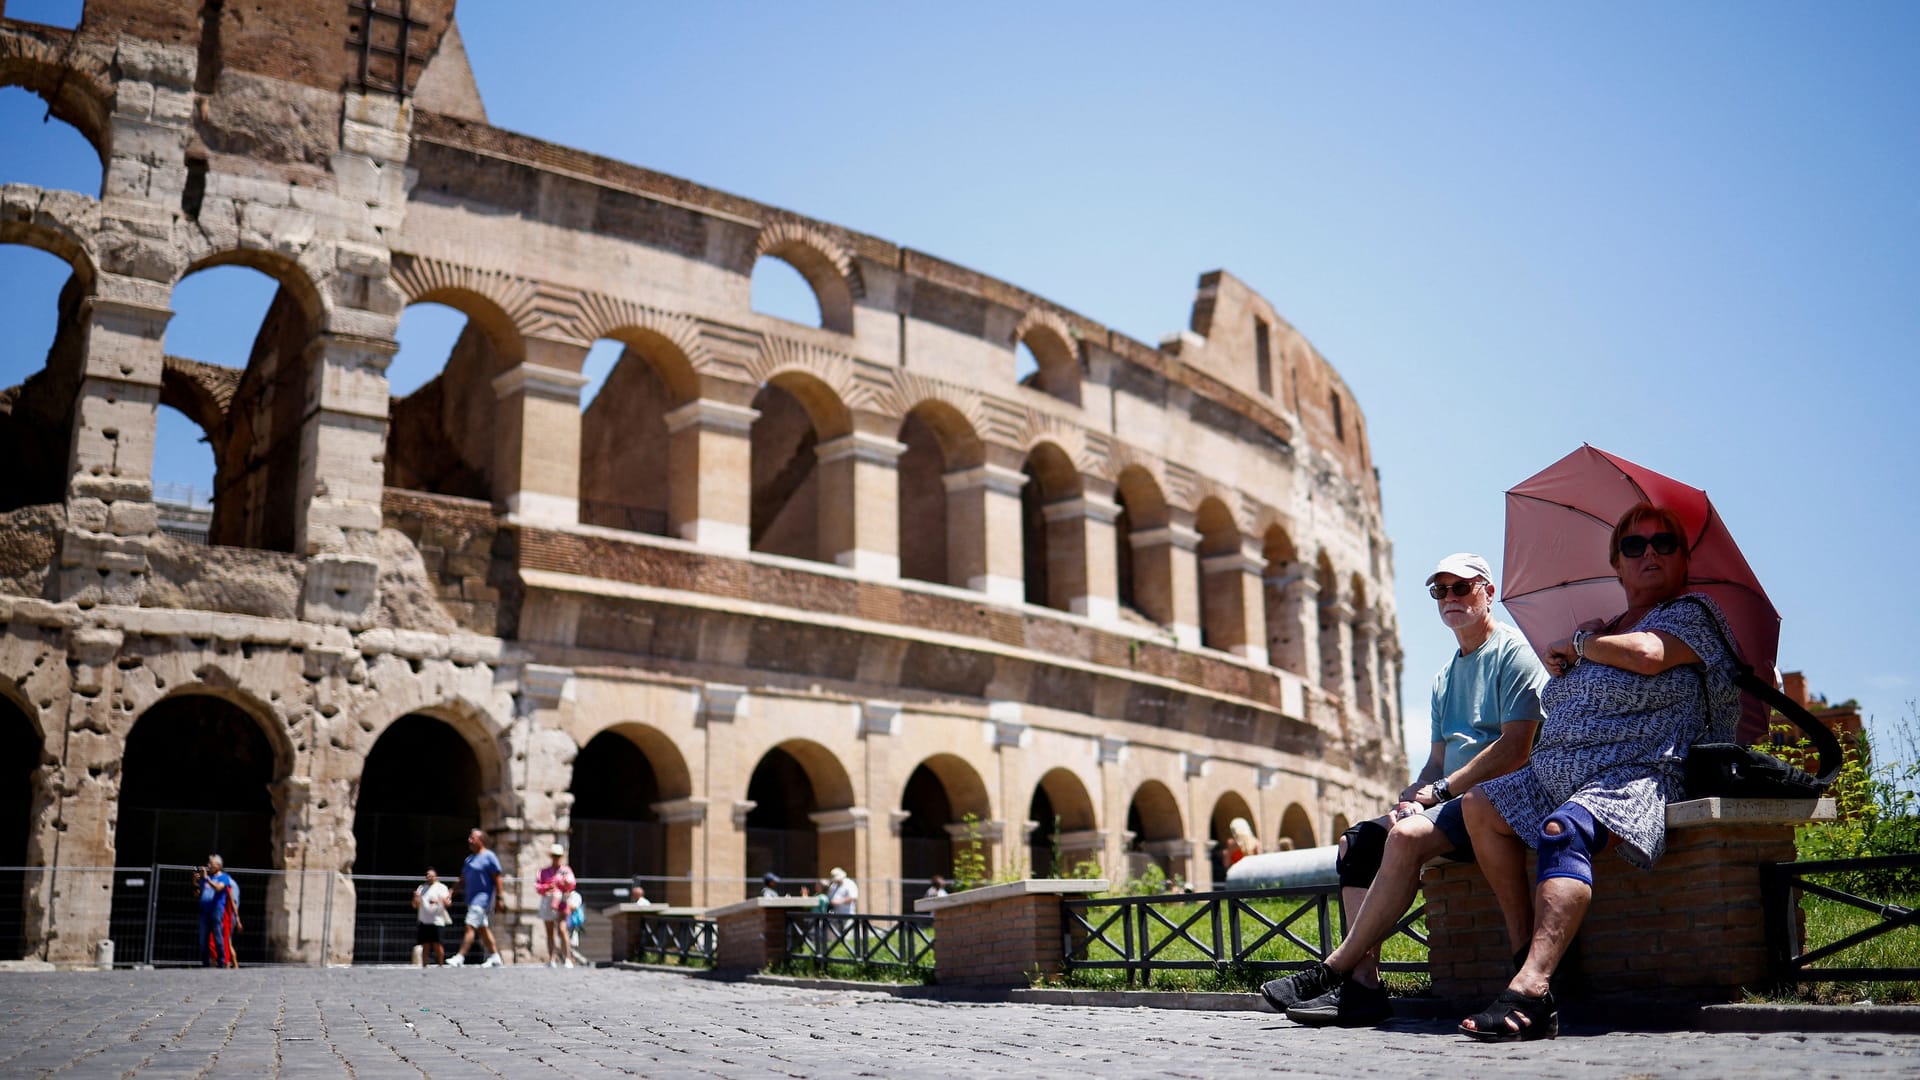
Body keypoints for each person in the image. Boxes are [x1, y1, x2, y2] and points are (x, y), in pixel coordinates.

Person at [1457, 503, 1740, 1041]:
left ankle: (1531, 990)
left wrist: (1584, 646)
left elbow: (1651, 656)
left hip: (1635, 773)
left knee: (1561, 832)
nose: (1649, 553)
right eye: (1635, 546)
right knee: (1480, 806)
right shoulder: (1605, 628)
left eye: (1664, 544)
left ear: (1683, 560)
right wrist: (1572, 661)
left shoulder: (1693, 613)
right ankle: (1529, 956)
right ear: (1617, 563)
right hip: (1558, 772)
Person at [1262, 552, 1548, 1027]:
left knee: (1406, 837)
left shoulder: (1515, 653)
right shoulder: (1443, 677)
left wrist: (1437, 792)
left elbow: (1515, 747)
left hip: (1504, 797)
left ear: (1489, 593)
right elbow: (1436, 760)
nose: (1451, 598)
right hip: (1450, 800)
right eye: (1441, 591)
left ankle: (1332, 968)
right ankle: (1364, 989)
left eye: (1463, 587)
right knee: (1357, 841)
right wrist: (1410, 796)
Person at [448, 828, 505, 967]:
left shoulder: (489, 857)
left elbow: (497, 877)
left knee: (470, 925)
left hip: (482, 899)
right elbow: (462, 880)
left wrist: (499, 897)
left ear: (481, 841)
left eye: (473, 838)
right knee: (482, 928)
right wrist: (450, 893)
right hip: (471, 898)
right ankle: (495, 956)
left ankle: (460, 957)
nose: (469, 840)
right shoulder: (469, 859)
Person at [193, 855, 239, 968]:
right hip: (204, 911)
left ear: (218, 866)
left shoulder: (224, 877)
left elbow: (219, 888)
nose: (208, 866)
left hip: (218, 912)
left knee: (219, 938)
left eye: (211, 864)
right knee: (204, 940)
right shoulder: (206, 879)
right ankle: (206, 963)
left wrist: (207, 879)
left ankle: (222, 962)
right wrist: (195, 881)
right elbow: (198, 893)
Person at [535, 843, 577, 968]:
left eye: (558, 856)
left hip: (562, 901)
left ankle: (568, 958)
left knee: (562, 929)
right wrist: (548, 886)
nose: (556, 858)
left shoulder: (566, 870)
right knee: (549, 932)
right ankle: (552, 958)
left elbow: (572, 885)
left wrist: (565, 884)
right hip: (548, 901)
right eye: (554, 855)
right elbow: (538, 887)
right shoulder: (543, 872)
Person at [412, 866, 452, 966]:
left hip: (437, 920)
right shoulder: (421, 888)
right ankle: (424, 965)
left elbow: (448, 903)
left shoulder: (442, 888)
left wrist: (438, 901)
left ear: (436, 877)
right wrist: (416, 897)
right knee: (425, 945)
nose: (429, 877)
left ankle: (440, 965)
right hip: (424, 920)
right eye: (427, 875)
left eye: (431, 875)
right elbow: (415, 905)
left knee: (437, 945)